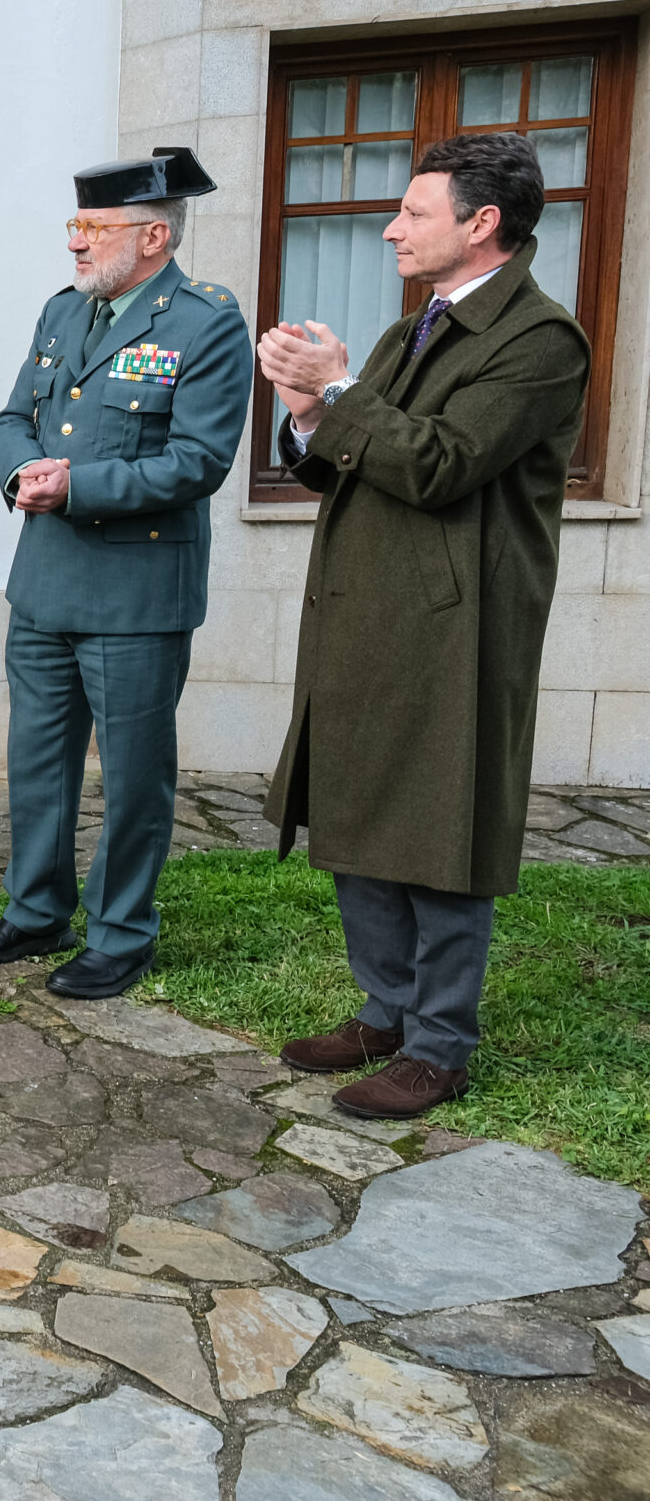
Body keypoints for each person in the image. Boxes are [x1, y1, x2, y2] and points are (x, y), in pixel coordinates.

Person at [256, 134, 587, 1120]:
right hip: (369, 613)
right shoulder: (415, 328)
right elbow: (351, 460)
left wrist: (340, 393)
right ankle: (384, 1010)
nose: (390, 228)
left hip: (456, 625)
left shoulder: (540, 340)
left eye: (412, 211)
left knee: (439, 829)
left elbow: (441, 464)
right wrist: (306, 411)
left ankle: (438, 1046)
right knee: (359, 812)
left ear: (482, 223)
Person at [0, 148, 249, 999]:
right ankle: (36, 910)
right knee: (37, 761)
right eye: (75, 225)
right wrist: (22, 470)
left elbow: (198, 461)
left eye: (95, 228)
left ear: (154, 236)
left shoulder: (204, 321)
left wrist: (75, 486)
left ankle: (121, 934)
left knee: (131, 778)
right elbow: (11, 418)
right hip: (45, 582)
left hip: (136, 595)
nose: (76, 242)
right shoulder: (63, 311)